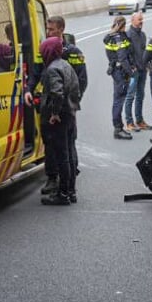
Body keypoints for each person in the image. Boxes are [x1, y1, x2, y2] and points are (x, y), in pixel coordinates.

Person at [38, 15, 88, 195]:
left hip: (62, 109)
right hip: (58, 107)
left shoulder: (72, 52)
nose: (48, 32)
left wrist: (69, 104)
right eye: (47, 29)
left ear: (61, 29)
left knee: (67, 146)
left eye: (51, 29)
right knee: (53, 145)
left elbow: (81, 80)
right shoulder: (47, 50)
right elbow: (38, 74)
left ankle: (66, 185)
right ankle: (57, 181)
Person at [103, 15, 134, 139]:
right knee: (119, 100)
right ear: (123, 25)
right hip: (120, 71)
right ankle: (118, 129)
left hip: (116, 70)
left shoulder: (110, 37)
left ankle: (118, 126)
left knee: (118, 98)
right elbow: (122, 57)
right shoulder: (118, 38)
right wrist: (131, 72)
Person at [123, 12, 150, 132]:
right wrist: (131, 68)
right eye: (139, 20)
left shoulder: (143, 35)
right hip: (133, 72)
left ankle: (139, 120)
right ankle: (129, 122)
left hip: (143, 70)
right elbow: (125, 54)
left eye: (142, 20)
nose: (141, 22)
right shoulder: (128, 35)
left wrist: (148, 64)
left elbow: (145, 52)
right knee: (130, 96)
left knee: (140, 96)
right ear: (132, 20)